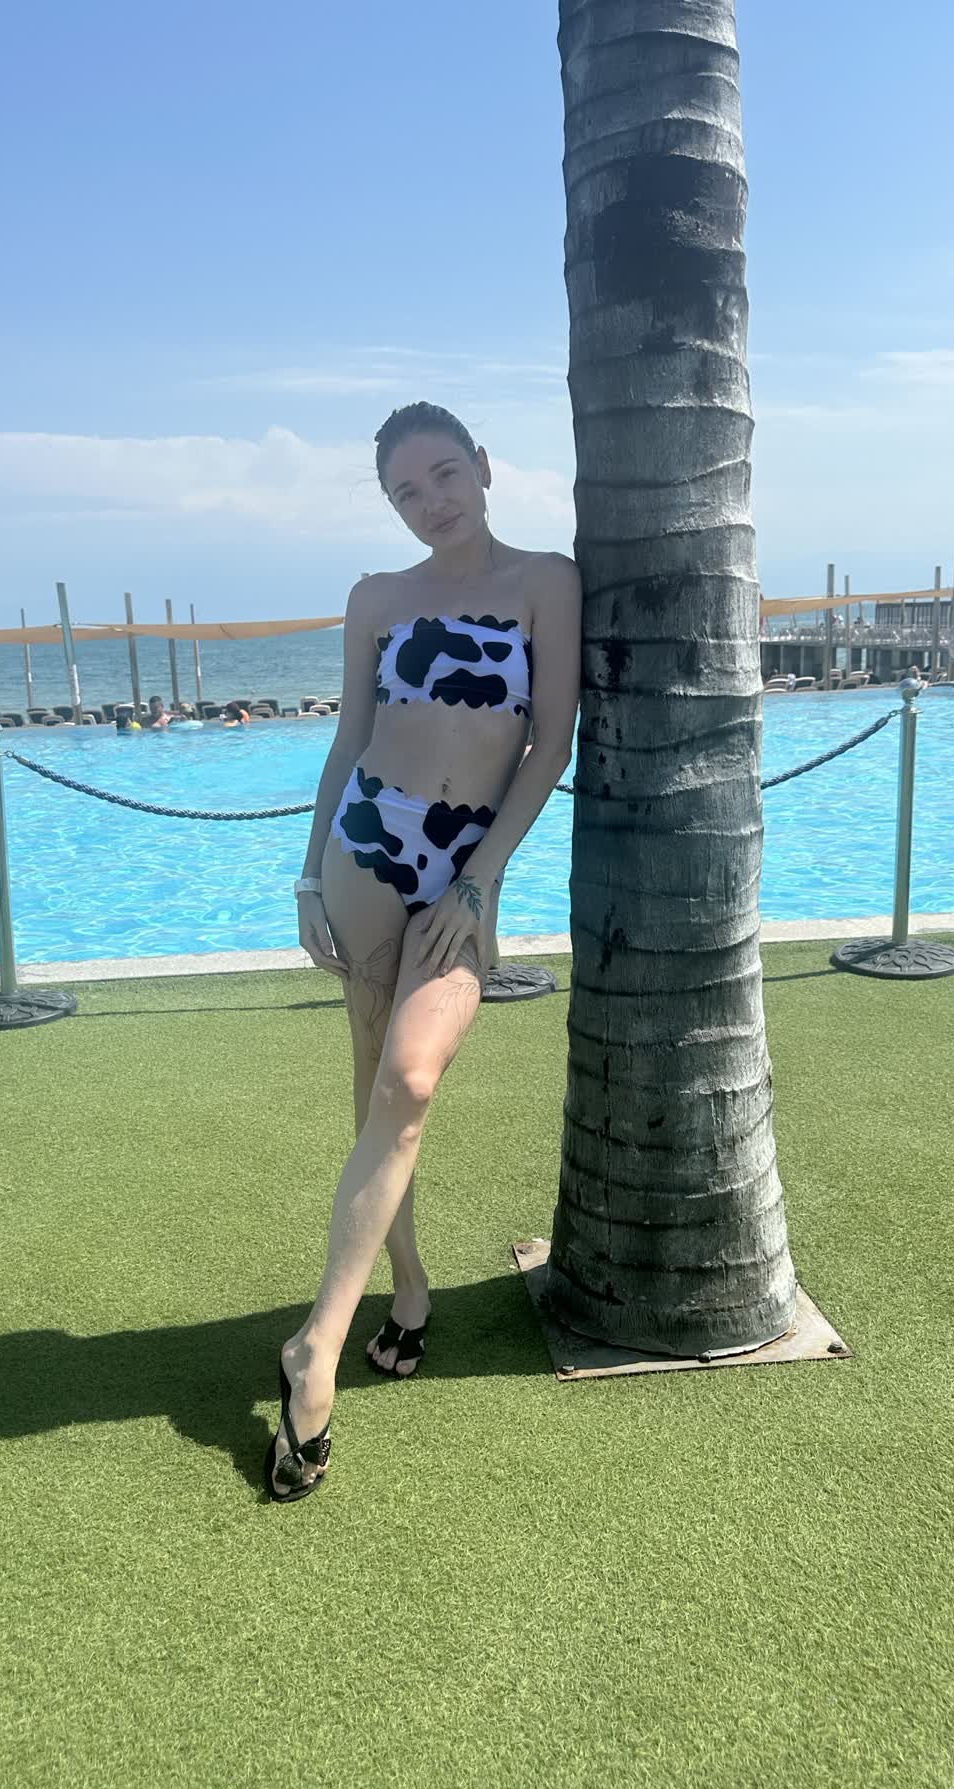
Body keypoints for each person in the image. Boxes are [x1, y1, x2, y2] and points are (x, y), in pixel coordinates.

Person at [266, 401, 581, 1501]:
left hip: (462, 862)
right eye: (406, 491)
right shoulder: (376, 598)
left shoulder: (546, 581)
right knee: (375, 1094)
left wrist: (480, 878)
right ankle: (404, 1288)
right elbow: (349, 739)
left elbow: (549, 745)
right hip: (365, 847)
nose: (431, 502)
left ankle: (316, 1345)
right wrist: (309, 876)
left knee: (408, 1078)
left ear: (483, 466)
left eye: (445, 474)